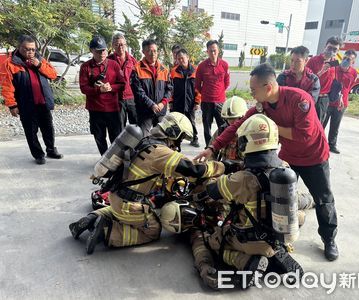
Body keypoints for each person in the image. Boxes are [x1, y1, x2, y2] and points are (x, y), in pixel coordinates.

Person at [195, 63, 339, 261]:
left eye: (254, 90)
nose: (252, 94)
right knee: (276, 197)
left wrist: (269, 126)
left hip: (313, 157)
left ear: (268, 88)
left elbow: (303, 135)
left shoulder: (299, 100)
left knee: (323, 199)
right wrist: (212, 147)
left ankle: (329, 239)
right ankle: (278, 235)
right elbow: (238, 125)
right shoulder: (263, 106)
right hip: (288, 156)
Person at [162, 114, 308, 289]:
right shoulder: (284, 168)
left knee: (212, 240)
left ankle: (248, 263)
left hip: (250, 240)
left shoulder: (241, 180)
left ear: (247, 141)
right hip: (279, 234)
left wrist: (217, 173)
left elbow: (213, 191)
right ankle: (277, 254)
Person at [69, 112, 231, 254]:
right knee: (152, 230)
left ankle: (93, 217)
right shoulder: (160, 152)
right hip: (129, 205)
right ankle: (107, 232)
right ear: (174, 132)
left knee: (123, 210)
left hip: (116, 197)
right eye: (180, 138)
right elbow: (193, 170)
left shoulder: (146, 141)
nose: (179, 144)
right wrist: (222, 166)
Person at [0, 35, 63, 164]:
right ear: (19, 47)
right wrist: (12, 105)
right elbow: (7, 86)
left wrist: (39, 65)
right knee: (31, 132)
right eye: (27, 49)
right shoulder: (10, 63)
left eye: (33, 49)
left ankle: (51, 150)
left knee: (48, 129)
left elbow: (53, 74)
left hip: (43, 102)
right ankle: (38, 154)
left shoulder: (39, 59)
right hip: (26, 104)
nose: (30, 52)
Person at [79, 36, 126, 155]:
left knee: (116, 138)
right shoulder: (85, 67)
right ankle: (105, 160)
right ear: (91, 51)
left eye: (104, 50)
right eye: (98, 51)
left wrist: (111, 87)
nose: (102, 53)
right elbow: (83, 88)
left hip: (112, 109)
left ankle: (116, 161)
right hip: (95, 109)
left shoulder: (114, 65)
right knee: (99, 137)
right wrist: (98, 89)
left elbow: (122, 84)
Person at [131, 39, 172, 136]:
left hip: (160, 111)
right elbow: (138, 91)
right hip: (144, 111)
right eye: (149, 51)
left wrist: (163, 103)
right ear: (143, 52)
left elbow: (169, 89)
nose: (153, 54)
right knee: (142, 139)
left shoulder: (164, 69)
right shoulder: (136, 68)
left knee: (162, 138)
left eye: (155, 51)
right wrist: (151, 104)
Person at [195, 40, 230, 146]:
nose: (213, 53)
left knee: (223, 126)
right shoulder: (201, 66)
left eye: (214, 50)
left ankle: (221, 147)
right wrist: (206, 93)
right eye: (210, 51)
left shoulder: (224, 65)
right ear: (207, 52)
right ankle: (208, 147)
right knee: (207, 127)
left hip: (220, 102)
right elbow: (197, 85)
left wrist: (219, 93)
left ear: (218, 51)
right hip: (206, 102)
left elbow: (227, 83)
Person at [323, 49, 358, 154]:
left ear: (353, 62)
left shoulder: (354, 73)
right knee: (321, 124)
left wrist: (343, 96)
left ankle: (332, 145)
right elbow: (324, 66)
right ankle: (317, 144)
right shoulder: (334, 66)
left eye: (349, 59)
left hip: (341, 105)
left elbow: (348, 87)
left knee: (335, 126)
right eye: (344, 58)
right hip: (328, 101)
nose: (346, 60)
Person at [306, 36, 343, 122]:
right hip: (312, 97)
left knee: (319, 125)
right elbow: (306, 80)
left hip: (324, 99)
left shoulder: (335, 63)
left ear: (338, 51)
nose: (331, 51)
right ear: (325, 46)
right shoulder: (314, 60)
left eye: (335, 49)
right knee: (308, 123)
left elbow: (336, 82)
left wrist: (340, 96)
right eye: (329, 47)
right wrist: (321, 71)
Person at [170, 48, 201, 147]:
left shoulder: (195, 71)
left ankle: (194, 138)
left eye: (182, 58)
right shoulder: (173, 71)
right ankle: (175, 141)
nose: (181, 60)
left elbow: (199, 88)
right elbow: (170, 88)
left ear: (188, 58)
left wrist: (197, 102)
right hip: (177, 102)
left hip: (190, 101)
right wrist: (170, 102)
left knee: (191, 120)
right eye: (178, 59)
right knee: (176, 122)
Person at [108, 33, 138, 128]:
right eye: (117, 44)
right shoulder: (109, 61)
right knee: (119, 127)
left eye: (122, 44)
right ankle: (122, 143)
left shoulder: (133, 61)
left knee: (136, 127)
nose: (120, 47)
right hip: (117, 99)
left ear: (126, 45)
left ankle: (135, 143)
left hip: (132, 98)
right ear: (113, 46)